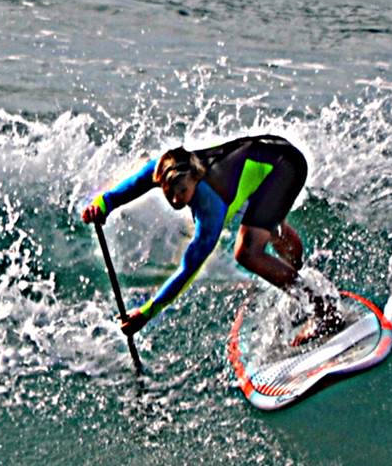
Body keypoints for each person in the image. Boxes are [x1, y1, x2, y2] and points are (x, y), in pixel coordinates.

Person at [80, 133, 337, 338]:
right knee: (265, 224)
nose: (175, 199)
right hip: (267, 159)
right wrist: (102, 206)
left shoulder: (210, 208)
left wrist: (148, 312)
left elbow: (188, 270)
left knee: (247, 252)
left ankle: (322, 310)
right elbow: (132, 186)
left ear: (195, 178)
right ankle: (298, 279)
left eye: (182, 191)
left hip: (285, 165)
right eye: (169, 192)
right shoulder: (167, 167)